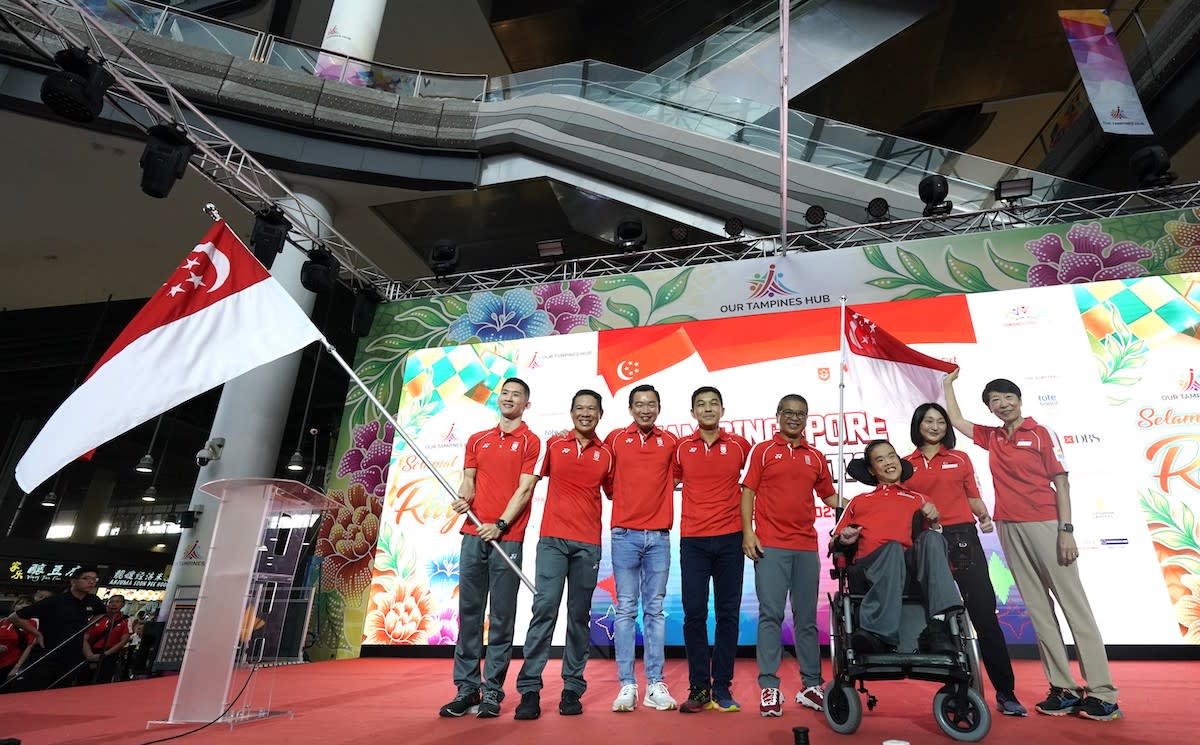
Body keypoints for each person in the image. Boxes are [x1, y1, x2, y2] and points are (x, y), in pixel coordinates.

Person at [943, 371, 1121, 721]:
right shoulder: (993, 437)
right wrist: (948, 386)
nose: (1002, 404)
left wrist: (1066, 529)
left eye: (1007, 397)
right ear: (991, 409)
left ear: (1019, 399)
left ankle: (1102, 693)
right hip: (1009, 527)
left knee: (1074, 607)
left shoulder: (1040, 433)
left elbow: (1062, 484)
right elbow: (958, 421)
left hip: (1046, 524)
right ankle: (1063, 688)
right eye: (995, 401)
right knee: (1038, 610)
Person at [905, 402, 1026, 716]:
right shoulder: (905, 464)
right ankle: (957, 692)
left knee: (985, 616)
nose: (935, 426)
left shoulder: (960, 458)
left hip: (963, 539)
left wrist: (984, 515)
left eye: (940, 421)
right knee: (938, 619)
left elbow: (972, 494)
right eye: (928, 421)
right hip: (925, 542)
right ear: (918, 425)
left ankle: (1006, 693)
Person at [439, 377, 542, 719]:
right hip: (472, 534)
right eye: (506, 393)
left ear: (526, 404)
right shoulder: (477, 439)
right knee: (469, 614)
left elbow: (525, 490)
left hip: (506, 538)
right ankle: (466, 688)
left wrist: (499, 524)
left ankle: (492, 691)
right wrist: (464, 495)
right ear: (499, 399)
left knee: (501, 618)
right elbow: (469, 479)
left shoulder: (530, 441)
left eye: (518, 395)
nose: (510, 398)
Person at [514, 389, 614, 720]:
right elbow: (527, 484)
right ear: (571, 413)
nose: (586, 413)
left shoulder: (607, 453)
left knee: (578, 616)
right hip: (552, 541)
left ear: (600, 415)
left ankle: (572, 688)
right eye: (580, 408)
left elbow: (617, 491)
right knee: (544, 610)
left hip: (588, 544)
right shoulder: (554, 444)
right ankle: (529, 690)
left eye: (592, 409)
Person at [741, 394, 839, 717]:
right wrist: (749, 532)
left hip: (806, 547)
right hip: (770, 545)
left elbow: (830, 496)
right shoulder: (764, 451)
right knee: (771, 615)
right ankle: (770, 688)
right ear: (778, 415)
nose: (795, 418)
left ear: (807, 418)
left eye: (801, 414)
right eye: (789, 413)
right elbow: (748, 493)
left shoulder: (816, 456)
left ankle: (811, 686)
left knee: (807, 618)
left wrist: (864, 501)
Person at [830, 440, 963, 656]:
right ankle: (877, 633)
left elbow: (935, 548)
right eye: (880, 460)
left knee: (931, 538)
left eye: (891, 456)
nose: (888, 462)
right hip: (869, 569)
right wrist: (844, 539)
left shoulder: (920, 499)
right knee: (892, 548)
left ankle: (938, 626)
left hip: (909, 571)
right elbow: (833, 541)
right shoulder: (858, 501)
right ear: (872, 470)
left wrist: (936, 523)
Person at [674, 386, 751, 714]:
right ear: (693, 413)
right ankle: (699, 688)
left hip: (731, 538)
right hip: (693, 540)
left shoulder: (740, 446)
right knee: (694, 614)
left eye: (713, 404)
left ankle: (721, 687)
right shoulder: (680, 449)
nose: (707, 409)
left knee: (728, 614)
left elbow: (755, 482)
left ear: (722, 409)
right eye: (700, 405)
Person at [604, 384, 680, 712]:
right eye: (639, 404)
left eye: (651, 404)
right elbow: (606, 482)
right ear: (630, 409)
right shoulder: (615, 439)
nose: (645, 409)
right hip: (624, 535)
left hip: (659, 537)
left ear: (659, 408)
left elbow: (677, 476)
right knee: (624, 609)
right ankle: (627, 685)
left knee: (655, 610)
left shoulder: (671, 443)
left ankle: (655, 684)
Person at [8, 567, 107, 690]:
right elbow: (14, 617)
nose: (91, 582)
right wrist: (37, 634)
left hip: (72, 655)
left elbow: (103, 613)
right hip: (47, 654)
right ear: (73, 581)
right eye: (86, 578)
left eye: (94, 579)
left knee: (61, 693)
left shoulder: (93, 600)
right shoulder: (55, 601)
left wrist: (87, 626)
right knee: (35, 690)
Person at [80, 594, 131, 685]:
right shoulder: (97, 618)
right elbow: (85, 637)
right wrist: (89, 654)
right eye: (111, 602)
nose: (113, 604)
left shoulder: (126, 621)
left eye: (117, 602)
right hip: (90, 652)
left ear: (123, 604)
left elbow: (123, 641)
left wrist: (104, 654)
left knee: (102, 682)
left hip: (109, 655)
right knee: (83, 681)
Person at [0, 595, 36, 688]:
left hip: (9, 664)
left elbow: (30, 646)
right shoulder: (3, 622)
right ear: (14, 606)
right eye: (20, 603)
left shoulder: (32, 623)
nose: (23, 606)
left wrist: (17, 667)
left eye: (27, 604)